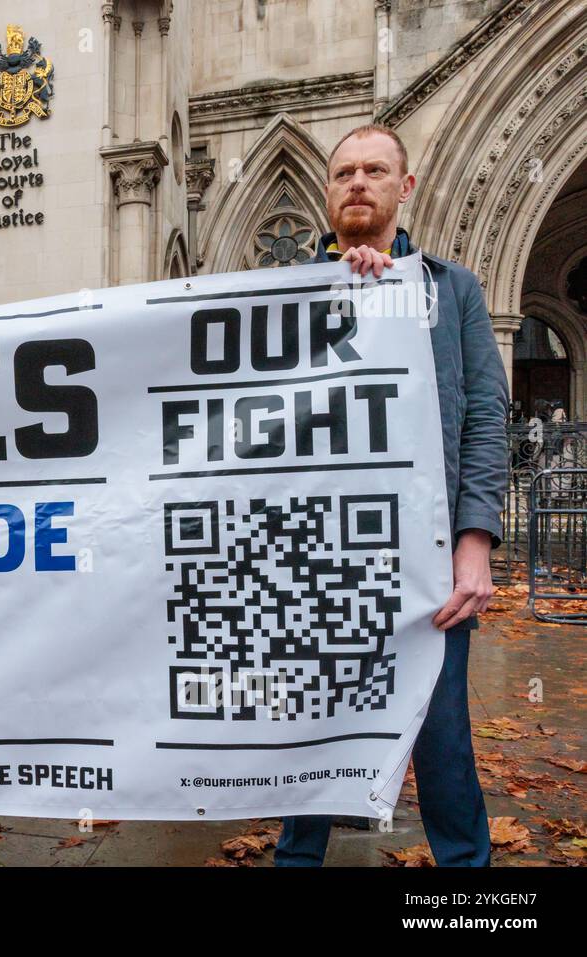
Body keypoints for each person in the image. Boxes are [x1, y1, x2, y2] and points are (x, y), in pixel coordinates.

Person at [274, 125, 508, 867]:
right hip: (315, 555)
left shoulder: (454, 290)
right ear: (327, 190)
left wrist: (476, 543)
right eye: (344, 171)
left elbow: (485, 414)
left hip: (426, 557)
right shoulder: (281, 296)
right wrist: (340, 288)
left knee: (441, 742)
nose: (357, 182)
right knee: (310, 734)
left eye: (376, 169)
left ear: (404, 188)